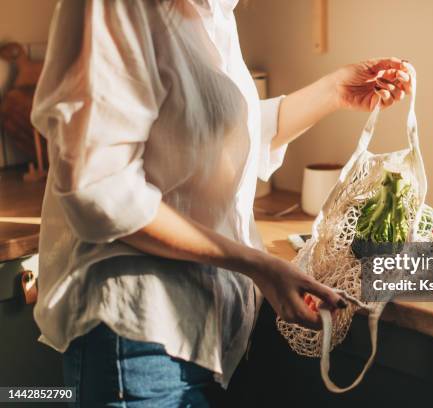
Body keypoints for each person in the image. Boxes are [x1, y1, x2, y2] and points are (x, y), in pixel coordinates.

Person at [31, 0, 410, 406]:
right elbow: (99, 190)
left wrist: (334, 91)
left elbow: (216, 135)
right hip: (138, 341)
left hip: (210, 338)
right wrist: (256, 263)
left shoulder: (213, 13)